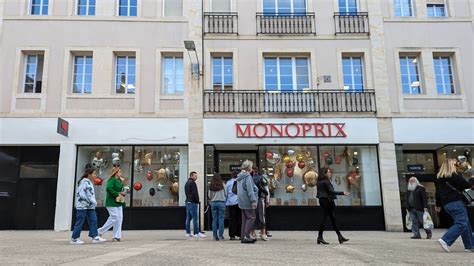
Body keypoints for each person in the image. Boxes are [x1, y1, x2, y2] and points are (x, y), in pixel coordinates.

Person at [435, 159, 473, 252]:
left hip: (447, 204)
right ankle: (445, 240)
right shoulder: (454, 175)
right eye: (455, 163)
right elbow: (466, 185)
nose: (457, 164)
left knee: (465, 223)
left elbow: (438, 193)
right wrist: (472, 178)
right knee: (461, 223)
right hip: (456, 202)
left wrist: (438, 204)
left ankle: (470, 246)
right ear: (451, 165)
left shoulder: (440, 178)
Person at [70, 168, 107, 245]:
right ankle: (74, 238)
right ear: (89, 174)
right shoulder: (84, 182)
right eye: (94, 174)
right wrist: (90, 200)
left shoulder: (89, 182)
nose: (95, 175)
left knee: (93, 220)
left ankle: (95, 236)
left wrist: (93, 202)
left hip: (90, 206)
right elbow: (81, 193)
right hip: (82, 206)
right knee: (80, 221)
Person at [316, 167, 350, 244]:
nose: (330, 173)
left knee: (332, 219)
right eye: (328, 172)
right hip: (326, 201)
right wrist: (343, 193)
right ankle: (320, 237)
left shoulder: (319, 181)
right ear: (324, 173)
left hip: (323, 200)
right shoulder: (326, 181)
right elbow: (331, 192)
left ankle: (339, 236)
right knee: (325, 219)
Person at [98, 167, 126, 242]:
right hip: (111, 201)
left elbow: (119, 190)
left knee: (119, 218)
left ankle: (117, 236)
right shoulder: (112, 179)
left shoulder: (119, 180)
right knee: (115, 217)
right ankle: (100, 231)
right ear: (116, 173)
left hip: (118, 201)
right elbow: (109, 188)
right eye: (120, 172)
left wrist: (122, 192)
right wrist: (117, 194)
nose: (121, 173)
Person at [237, 160, 258, 244]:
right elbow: (250, 190)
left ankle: (244, 236)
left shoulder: (240, 176)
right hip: (247, 200)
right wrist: (253, 200)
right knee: (251, 217)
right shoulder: (247, 176)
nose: (252, 168)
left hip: (241, 200)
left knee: (245, 219)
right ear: (249, 167)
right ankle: (246, 236)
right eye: (251, 167)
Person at [185, 171, 206, 239]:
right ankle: (196, 233)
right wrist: (197, 201)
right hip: (193, 202)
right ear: (191, 176)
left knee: (188, 218)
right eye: (195, 176)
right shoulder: (192, 183)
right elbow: (195, 193)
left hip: (188, 202)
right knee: (195, 218)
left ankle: (188, 233)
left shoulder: (187, 183)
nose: (196, 177)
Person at [251, 166, 269, 241]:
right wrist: (267, 199)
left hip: (252, 200)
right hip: (260, 198)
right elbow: (266, 188)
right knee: (262, 216)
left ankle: (253, 233)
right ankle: (263, 233)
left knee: (252, 216)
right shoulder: (262, 177)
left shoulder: (250, 179)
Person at [209, 173, 227, 241]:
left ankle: (214, 236)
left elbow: (210, 195)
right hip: (221, 202)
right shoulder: (223, 184)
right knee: (221, 219)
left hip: (213, 203)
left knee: (214, 219)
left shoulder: (211, 185)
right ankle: (220, 236)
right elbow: (226, 193)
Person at [225, 170, 241, 240]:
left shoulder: (228, 183)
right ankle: (240, 234)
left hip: (231, 203)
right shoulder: (240, 182)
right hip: (239, 202)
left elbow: (226, 193)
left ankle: (232, 235)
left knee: (232, 219)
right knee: (240, 218)